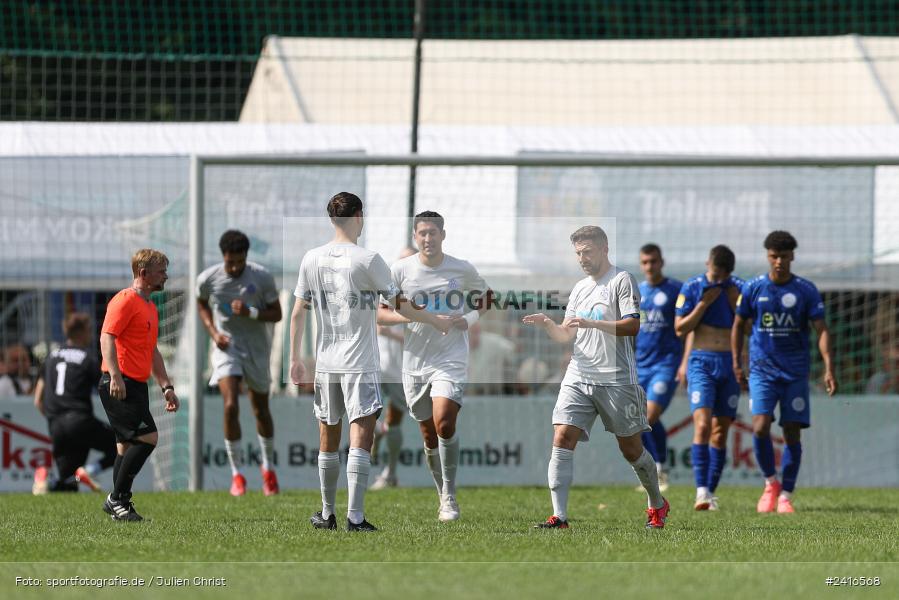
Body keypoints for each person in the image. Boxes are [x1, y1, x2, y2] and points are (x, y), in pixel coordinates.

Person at [289, 193, 450, 532]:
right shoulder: (368, 259)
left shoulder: (311, 258)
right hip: (359, 362)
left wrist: (293, 359)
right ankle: (355, 517)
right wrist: (435, 320)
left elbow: (296, 313)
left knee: (327, 436)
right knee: (361, 436)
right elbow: (400, 304)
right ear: (359, 216)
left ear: (331, 219)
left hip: (326, 363)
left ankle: (327, 513)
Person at [522, 225, 669, 530]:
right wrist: (549, 324)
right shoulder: (579, 288)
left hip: (616, 378)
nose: (582, 259)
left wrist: (592, 323)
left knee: (631, 449)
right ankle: (559, 516)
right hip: (578, 374)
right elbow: (566, 335)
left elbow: (632, 326)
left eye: (587, 252)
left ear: (604, 249)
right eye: (578, 253)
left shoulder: (621, 280)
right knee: (561, 437)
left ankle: (656, 503)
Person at [380, 211, 491, 522]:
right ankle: (441, 493)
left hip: (451, 358)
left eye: (433, 232)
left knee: (444, 423)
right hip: (415, 363)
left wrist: (466, 319)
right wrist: (415, 316)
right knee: (428, 434)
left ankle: (450, 496)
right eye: (422, 233)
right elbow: (379, 314)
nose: (428, 238)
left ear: (443, 234)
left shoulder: (461, 268)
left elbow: (488, 297)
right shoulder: (400, 270)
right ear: (416, 236)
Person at [732, 231, 836, 513]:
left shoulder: (805, 290)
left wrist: (828, 367)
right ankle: (770, 484)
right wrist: (736, 362)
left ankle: (786, 495)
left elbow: (821, 329)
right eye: (773, 256)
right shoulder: (754, 288)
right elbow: (739, 325)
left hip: (795, 374)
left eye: (783, 256)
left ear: (792, 256)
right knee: (760, 426)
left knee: (791, 432)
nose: (778, 261)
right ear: (768, 256)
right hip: (762, 372)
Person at [197, 230, 282, 497]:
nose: (234, 267)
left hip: (257, 349)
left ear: (246, 257)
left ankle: (268, 469)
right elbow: (201, 303)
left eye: (239, 262)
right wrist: (213, 332)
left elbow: (277, 313)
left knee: (260, 410)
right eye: (229, 262)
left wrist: (251, 312)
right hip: (227, 347)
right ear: (223, 256)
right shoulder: (208, 279)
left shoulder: (262, 277)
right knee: (230, 404)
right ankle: (237, 476)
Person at [98, 249, 180, 521]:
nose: (166, 276)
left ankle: (120, 504)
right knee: (148, 438)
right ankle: (117, 499)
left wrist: (166, 386)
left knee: (125, 446)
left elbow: (152, 351)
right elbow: (106, 338)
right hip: (118, 382)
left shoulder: (150, 307)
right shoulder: (125, 299)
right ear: (143, 274)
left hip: (137, 384)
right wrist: (116, 376)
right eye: (161, 271)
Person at [674, 245, 744, 511]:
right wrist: (703, 304)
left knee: (720, 431)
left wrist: (733, 302)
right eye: (714, 274)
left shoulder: (738, 288)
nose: (717, 281)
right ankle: (700, 491)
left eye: (722, 277)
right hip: (701, 361)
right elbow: (680, 328)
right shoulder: (692, 287)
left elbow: (749, 328)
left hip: (729, 363)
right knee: (702, 425)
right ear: (707, 264)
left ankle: (710, 493)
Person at [32, 313, 117, 494]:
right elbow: (106, 388)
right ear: (81, 332)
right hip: (80, 421)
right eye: (88, 330)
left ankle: (44, 477)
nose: (90, 334)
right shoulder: (88, 358)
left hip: (56, 424)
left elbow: (37, 399)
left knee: (68, 484)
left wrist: (54, 418)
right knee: (120, 445)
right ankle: (90, 471)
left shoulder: (51, 357)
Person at [635, 244, 683, 492]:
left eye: (653, 261)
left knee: (649, 416)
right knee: (641, 419)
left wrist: (685, 361)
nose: (649, 266)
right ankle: (658, 469)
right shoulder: (637, 292)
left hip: (666, 363)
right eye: (645, 262)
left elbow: (686, 326)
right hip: (639, 364)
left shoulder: (676, 290)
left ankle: (658, 470)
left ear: (661, 262)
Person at [370, 246, 418, 491]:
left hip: (402, 367)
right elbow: (377, 318)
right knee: (368, 415)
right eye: (400, 261)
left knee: (396, 420)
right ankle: (378, 431)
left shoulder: (422, 294)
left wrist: (395, 332)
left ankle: (390, 473)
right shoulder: (386, 290)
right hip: (377, 363)